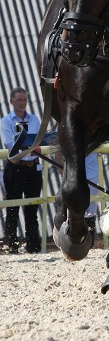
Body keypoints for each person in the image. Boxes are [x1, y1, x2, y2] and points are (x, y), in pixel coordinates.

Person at [1, 88, 43, 253]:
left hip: (32, 167)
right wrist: (31, 148)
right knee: (13, 208)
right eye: (19, 100)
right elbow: (10, 145)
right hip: (15, 168)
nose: (22, 103)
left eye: (24, 99)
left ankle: (33, 245)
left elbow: (40, 141)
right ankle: (12, 245)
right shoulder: (5, 121)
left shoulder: (34, 120)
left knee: (32, 208)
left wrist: (31, 148)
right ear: (11, 101)